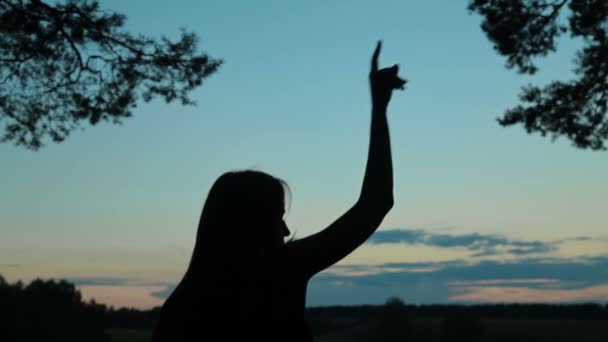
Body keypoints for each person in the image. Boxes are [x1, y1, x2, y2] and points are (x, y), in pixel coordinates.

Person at [151, 41, 406, 341]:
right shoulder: (282, 271)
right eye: (277, 217)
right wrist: (379, 107)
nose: (285, 230)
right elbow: (375, 204)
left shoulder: (180, 310)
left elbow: (375, 204)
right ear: (247, 225)